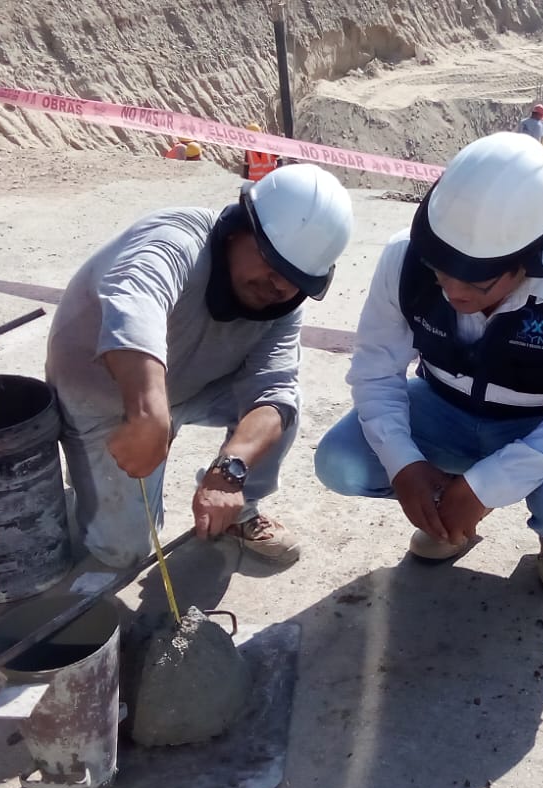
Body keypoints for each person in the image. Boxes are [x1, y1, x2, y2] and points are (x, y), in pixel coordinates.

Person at [314, 133, 543, 593]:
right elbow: (375, 371)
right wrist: (404, 465)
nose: (452, 292)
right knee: (341, 462)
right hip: (443, 407)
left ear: (533, 262)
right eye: (442, 273)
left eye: (477, 284)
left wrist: (483, 488)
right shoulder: (405, 258)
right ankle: (448, 515)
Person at [47, 164, 354, 569]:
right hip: (102, 396)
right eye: (270, 262)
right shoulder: (175, 240)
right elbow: (135, 306)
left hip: (189, 388)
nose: (279, 285)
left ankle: (236, 508)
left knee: (283, 407)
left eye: (296, 279)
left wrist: (231, 469)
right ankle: (86, 482)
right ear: (237, 230)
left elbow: (273, 391)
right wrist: (148, 413)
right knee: (123, 552)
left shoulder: (283, 304)